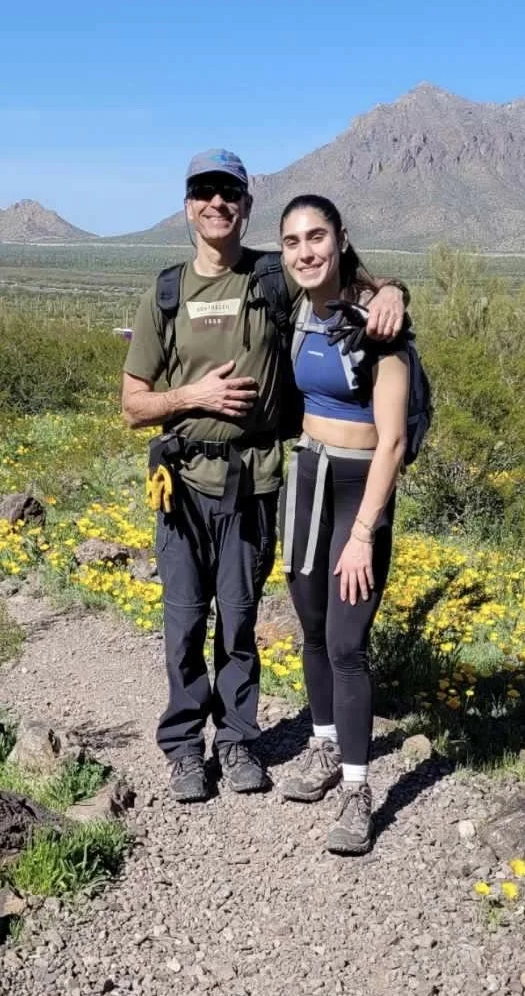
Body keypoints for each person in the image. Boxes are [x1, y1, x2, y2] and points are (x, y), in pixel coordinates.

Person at [121, 151, 407, 803]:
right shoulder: (164, 294)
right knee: (185, 619)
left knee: (241, 618)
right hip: (184, 483)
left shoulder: (271, 275)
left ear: (245, 205)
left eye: (230, 193)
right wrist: (190, 396)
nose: (217, 202)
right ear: (188, 203)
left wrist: (391, 290)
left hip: (255, 479)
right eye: (204, 191)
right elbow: (133, 403)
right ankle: (184, 748)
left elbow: (339, 269)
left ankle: (238, 740)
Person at [278, 194, 410, 855]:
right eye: (293, 240)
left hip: (357, 489)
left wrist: (362, 532)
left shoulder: (377, 323)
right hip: (306, 478)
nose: (305, 250)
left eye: (316, 236)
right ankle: (324, 744)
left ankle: (359, 789)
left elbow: (389, 443)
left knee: (346, 641)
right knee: (308, 625)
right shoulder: (294, 304)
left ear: (340, 238)